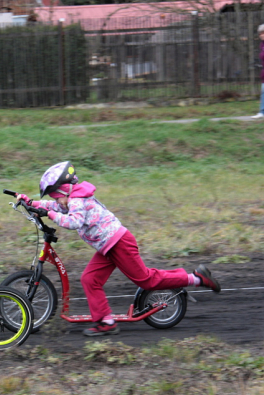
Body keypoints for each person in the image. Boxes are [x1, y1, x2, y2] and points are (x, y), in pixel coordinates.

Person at [17, 161, 221, 337]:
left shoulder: (78, 201)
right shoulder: (71, 198)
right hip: (108, 246)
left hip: (119, 243)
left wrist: (49, 214)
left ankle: (196, 278)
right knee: (90, 279)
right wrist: (31, 202)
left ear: (64, 191)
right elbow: (56, 208)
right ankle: (106, 322)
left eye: (56, 197)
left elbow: (74, 222)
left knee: (146, 280)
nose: (56, 202)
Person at [252, 23, 264, 119]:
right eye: (260, 33)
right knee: (263, 91)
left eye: (263, 33)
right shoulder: (262, 45)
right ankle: (262, 112)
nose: (261, 35)